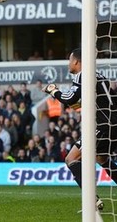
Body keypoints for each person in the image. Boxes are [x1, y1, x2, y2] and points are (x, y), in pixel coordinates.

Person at [43, 48, 117, 211]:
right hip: (112, 124)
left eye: (70, 60)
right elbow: (89, 101)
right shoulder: (98, 75)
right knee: (102, 159)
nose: (69, 64)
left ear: (76, 61)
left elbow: (70, 98)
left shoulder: (83, 75)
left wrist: (52, 90)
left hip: (103, 126)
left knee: (71, 159)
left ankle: (91, 200)